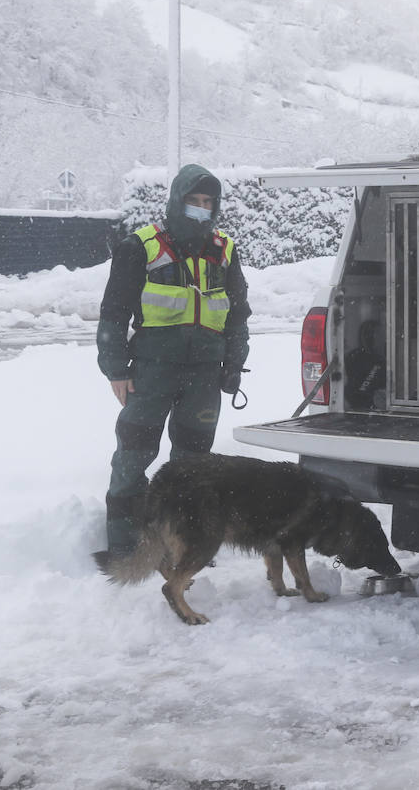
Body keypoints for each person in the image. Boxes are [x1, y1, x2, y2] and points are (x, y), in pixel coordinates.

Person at [96, 165, 251, 555]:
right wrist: (116, 369)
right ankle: (125, 546)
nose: (200, 208)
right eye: (193, 200)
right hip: (151, 373)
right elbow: (114, 312)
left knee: (194, 466)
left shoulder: (225, 250)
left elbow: (237, 313)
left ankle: (187, 543)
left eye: (207, 202)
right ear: (176, 201)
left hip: (204, 376)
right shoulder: (141, 246)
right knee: (133, 456)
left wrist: (233, 363)